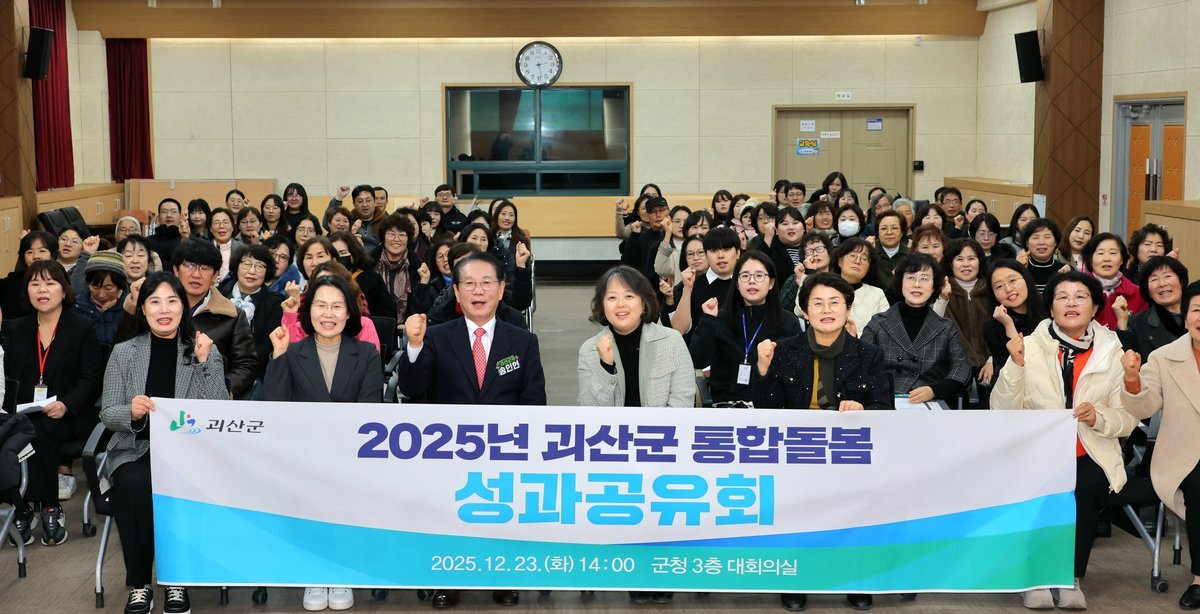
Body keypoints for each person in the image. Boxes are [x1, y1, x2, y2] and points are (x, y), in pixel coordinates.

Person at [397, 252, 544, 609]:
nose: (478, 291)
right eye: (469, 284)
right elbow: (413, 388)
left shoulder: (522, 341)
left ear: (501, 289)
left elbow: (534, 401)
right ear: (457, 292)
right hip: (449, 451)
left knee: (501, 514)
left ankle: (503, 577)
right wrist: (413, 346)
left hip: (504, 449)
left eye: (486, 283)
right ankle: (449, 580)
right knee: (450, 516)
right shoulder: (436, 336)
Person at [991, 271, 1139, 610]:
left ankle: (1071, 577)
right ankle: (1036, 577)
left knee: (1083, 487)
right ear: (1051, 308)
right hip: (1034, 451)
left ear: (1095, 307)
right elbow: (1001, 409)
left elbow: (1127, 418)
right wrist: (1015, 365)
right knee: (1039, 489)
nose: (1071, 303)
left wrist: (1098, 417)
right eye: (1062, 297)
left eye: (1080, 297)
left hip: (1091, 449)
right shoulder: (1029, 345)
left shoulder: (1112, 350)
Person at [757, 272, 893, 612]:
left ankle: (856, 580)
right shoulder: (785, 351)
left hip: (850, 456)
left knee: (854, 519)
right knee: (799, 519)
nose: (827, 310)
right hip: (798, 455)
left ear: (848, 309)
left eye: (835, 302)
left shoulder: (870, 354)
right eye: (817, 303)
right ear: (805, 311)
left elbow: (885, 409)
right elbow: (767, 410)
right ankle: (798, 580)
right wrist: (762, 370)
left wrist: (863, 410)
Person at [100, 272, 228, 614]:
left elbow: (219, 411)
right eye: (154, 302)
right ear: (143, 309)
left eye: (172, 301)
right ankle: (140, 584)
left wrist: (205, 364)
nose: (164, 309)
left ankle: (175, 579)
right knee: (134, 485)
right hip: (136, 450)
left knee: (177, 486)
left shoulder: (202, 349)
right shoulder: (124, 353)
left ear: (184, 307)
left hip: (190, 455)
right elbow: (108, 412)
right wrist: (131, 412)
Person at [264, 274, 381, 613]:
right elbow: (274, 406)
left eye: (336, 306)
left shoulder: (367, 353)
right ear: (308, 310)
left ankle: (341, 571)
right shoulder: (292, 351)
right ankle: (314, 573)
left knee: (343, 494)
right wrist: (278, 356)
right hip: (303, 456)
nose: (328, 314)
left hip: (351, 454)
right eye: (320, 305)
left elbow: (370, 411)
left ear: (349, 313)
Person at [1, 260, 102, 546]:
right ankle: (23, 508)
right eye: (35, 284)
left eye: (49, 283)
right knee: (21, 431)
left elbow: (91, 379)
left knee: (36, 431)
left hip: (72, 415)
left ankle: (47, 506)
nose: (42, 290)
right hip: (25, 414)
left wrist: (66, 404)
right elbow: (8, 378)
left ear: (64, 289)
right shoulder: (16, 328)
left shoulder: (83, 327)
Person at [1121, 281, 1200, 610]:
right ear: (1185, 317)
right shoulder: (1164, 357)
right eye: (1197, 310)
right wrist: (1132, 380)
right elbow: (1145, 406)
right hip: (1185, 454)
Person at [128, 239, 258, 399]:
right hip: (155, 395)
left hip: (206, 399)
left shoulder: (231, 314)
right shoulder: (157, 309)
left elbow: (246, 364)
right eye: (189, 265)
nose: (196, 274)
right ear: (176, 270)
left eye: (205, 268)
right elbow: (127, 345)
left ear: (215, 275)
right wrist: (132, 306)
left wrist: (223, 389)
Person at [689, 251, 802, 406]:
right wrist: (708, 320)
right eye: (745, 276)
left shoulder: (787, 321)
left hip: (772, 407)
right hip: (726, 406)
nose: (752, 281)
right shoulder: (719, 318)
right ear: (737, 283)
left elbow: (796, 370)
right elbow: (698, 360)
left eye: (759, 276)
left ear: (771, 283)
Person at [576, 265, 693, 410]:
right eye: (612, 298)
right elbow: (589, 411)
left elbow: (683, 403)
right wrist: (605, 368)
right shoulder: (590, 350)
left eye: (629, 296)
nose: (620, 304)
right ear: (602, 305)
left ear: (643, 302)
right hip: (612, 426)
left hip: (660, 425)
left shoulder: (672, 341)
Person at [861, 253, 970, 404]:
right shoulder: (878, 323)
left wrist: (934, 390)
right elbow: (862, 363)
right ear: (900, 282)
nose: (917, 284)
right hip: (885, 399)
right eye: (911, 278)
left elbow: (961, 367)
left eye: (924, 278)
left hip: (931, 401)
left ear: (934, 287)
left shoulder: (946, 327)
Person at [218, 244, 284, 382]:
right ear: (237, 266)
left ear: (267, 271)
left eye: (259, 266)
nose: (252, 271)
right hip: (216, 365)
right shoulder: (219, 293)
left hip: (255, 372)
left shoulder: (274, 302)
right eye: (246, 264)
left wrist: (243, 364)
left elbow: (268, 345)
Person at [280, 261, 380, 351]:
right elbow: (289, 358)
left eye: (334, 282)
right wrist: (290, 315)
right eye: (321, 283)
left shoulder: (364, 325)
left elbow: (370, 362)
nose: (328, 288)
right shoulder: (301, 326)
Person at [942, 239, 992, 407]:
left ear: (980, 261)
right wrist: (942, 298)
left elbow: (1000, 333)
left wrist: (992, 360)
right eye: (959, 259)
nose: (966, 264)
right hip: (953, 364)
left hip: (989, 362)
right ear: (951, 263)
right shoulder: (942, 289)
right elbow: (935, 327)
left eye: (971, 258)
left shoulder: (992, 289)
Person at [670, 227, 740, 338]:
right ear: (706, 255)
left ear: (738, 253)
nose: (720, 255)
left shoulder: (746, 283)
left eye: (726, 249)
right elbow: (679, 329)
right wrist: (687, 290)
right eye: (714, 251)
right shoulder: (690, 285)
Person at [1117, 255, 1189, 362]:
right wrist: (1122, 324)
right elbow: (1128, 361)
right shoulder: (1137, 324)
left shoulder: (1195, 313)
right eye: (1154, 279)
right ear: (1148, 292)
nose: (1162, 284)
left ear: (1181, 282)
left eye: (1167, 276)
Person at [1083, 232, 1147, 330]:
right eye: (1100, 253)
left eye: (1113, 253)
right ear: (1090, 259)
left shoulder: (1138, 293)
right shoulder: (1079, 291)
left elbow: (1142, 331)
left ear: (1121, 260)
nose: (1107, 259)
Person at [329, 230, 395, 319]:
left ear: (354, 252)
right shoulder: (325, 280)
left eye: (343, 253)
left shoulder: (373, 279)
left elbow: (388, 314)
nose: (339, 258)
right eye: (335, 254)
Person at [75, 250, 129, 349]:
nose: (101, 295)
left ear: (120, 285)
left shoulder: (131, 309)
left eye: (109, 288)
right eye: (95, 287)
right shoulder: (77, 307)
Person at [0, 230, 57, 319]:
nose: (36, 256)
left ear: (52, 255)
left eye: (42, 251)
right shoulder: (12, 282)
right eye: (29, 252)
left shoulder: (60, 280)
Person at [1019, 218, 1070, 293]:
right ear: (1027, 243)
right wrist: (1019, 270)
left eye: (1047, 237)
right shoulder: (1018, 270)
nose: (1041, 242)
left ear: (1055, 242)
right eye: (1036, 237)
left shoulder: (1066, 270)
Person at [411, 240, 456, 315]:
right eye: (440, 257)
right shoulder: (432, 287)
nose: (445, 259)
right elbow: (418, 312)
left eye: (448, 254)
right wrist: (424, 281)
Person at [871, 210, 909, 292]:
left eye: (894, 228)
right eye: (884, 228)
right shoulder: (870, 253)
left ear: (902, 232)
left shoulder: (910, 256)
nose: (889, 232)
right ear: (877, 232)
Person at [208, 207, 243, 281]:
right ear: (210, 229)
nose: (221, 226)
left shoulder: (243, 249)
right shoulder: (204, 249)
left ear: (232, 227)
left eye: (225, 222)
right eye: (216, 223)